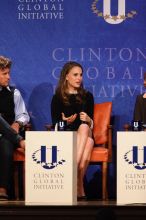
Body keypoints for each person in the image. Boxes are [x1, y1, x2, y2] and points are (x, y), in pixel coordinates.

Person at [51, 61, 94, 199]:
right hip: (67, 137)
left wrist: (88, 119)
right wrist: (63, 121)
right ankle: (78, 186)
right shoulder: (57, 98)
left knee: (83, 126)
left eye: (81, 75)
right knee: (88, 143)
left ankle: (72, 167)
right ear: (66, 77)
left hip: (84, 132)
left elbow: (91, 124)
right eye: (75, 75)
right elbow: (55, 124)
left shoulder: (87, 96)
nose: (79, 78)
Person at [0, 55, 30, 200]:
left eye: (9, 73)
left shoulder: (14, 93)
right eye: (4, 74)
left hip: (6, 136)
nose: (9, 77)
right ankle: (20, 141)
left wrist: (18, 123)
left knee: (6, 142)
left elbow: (24, 115)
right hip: (12, 136)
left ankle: (2, 188)